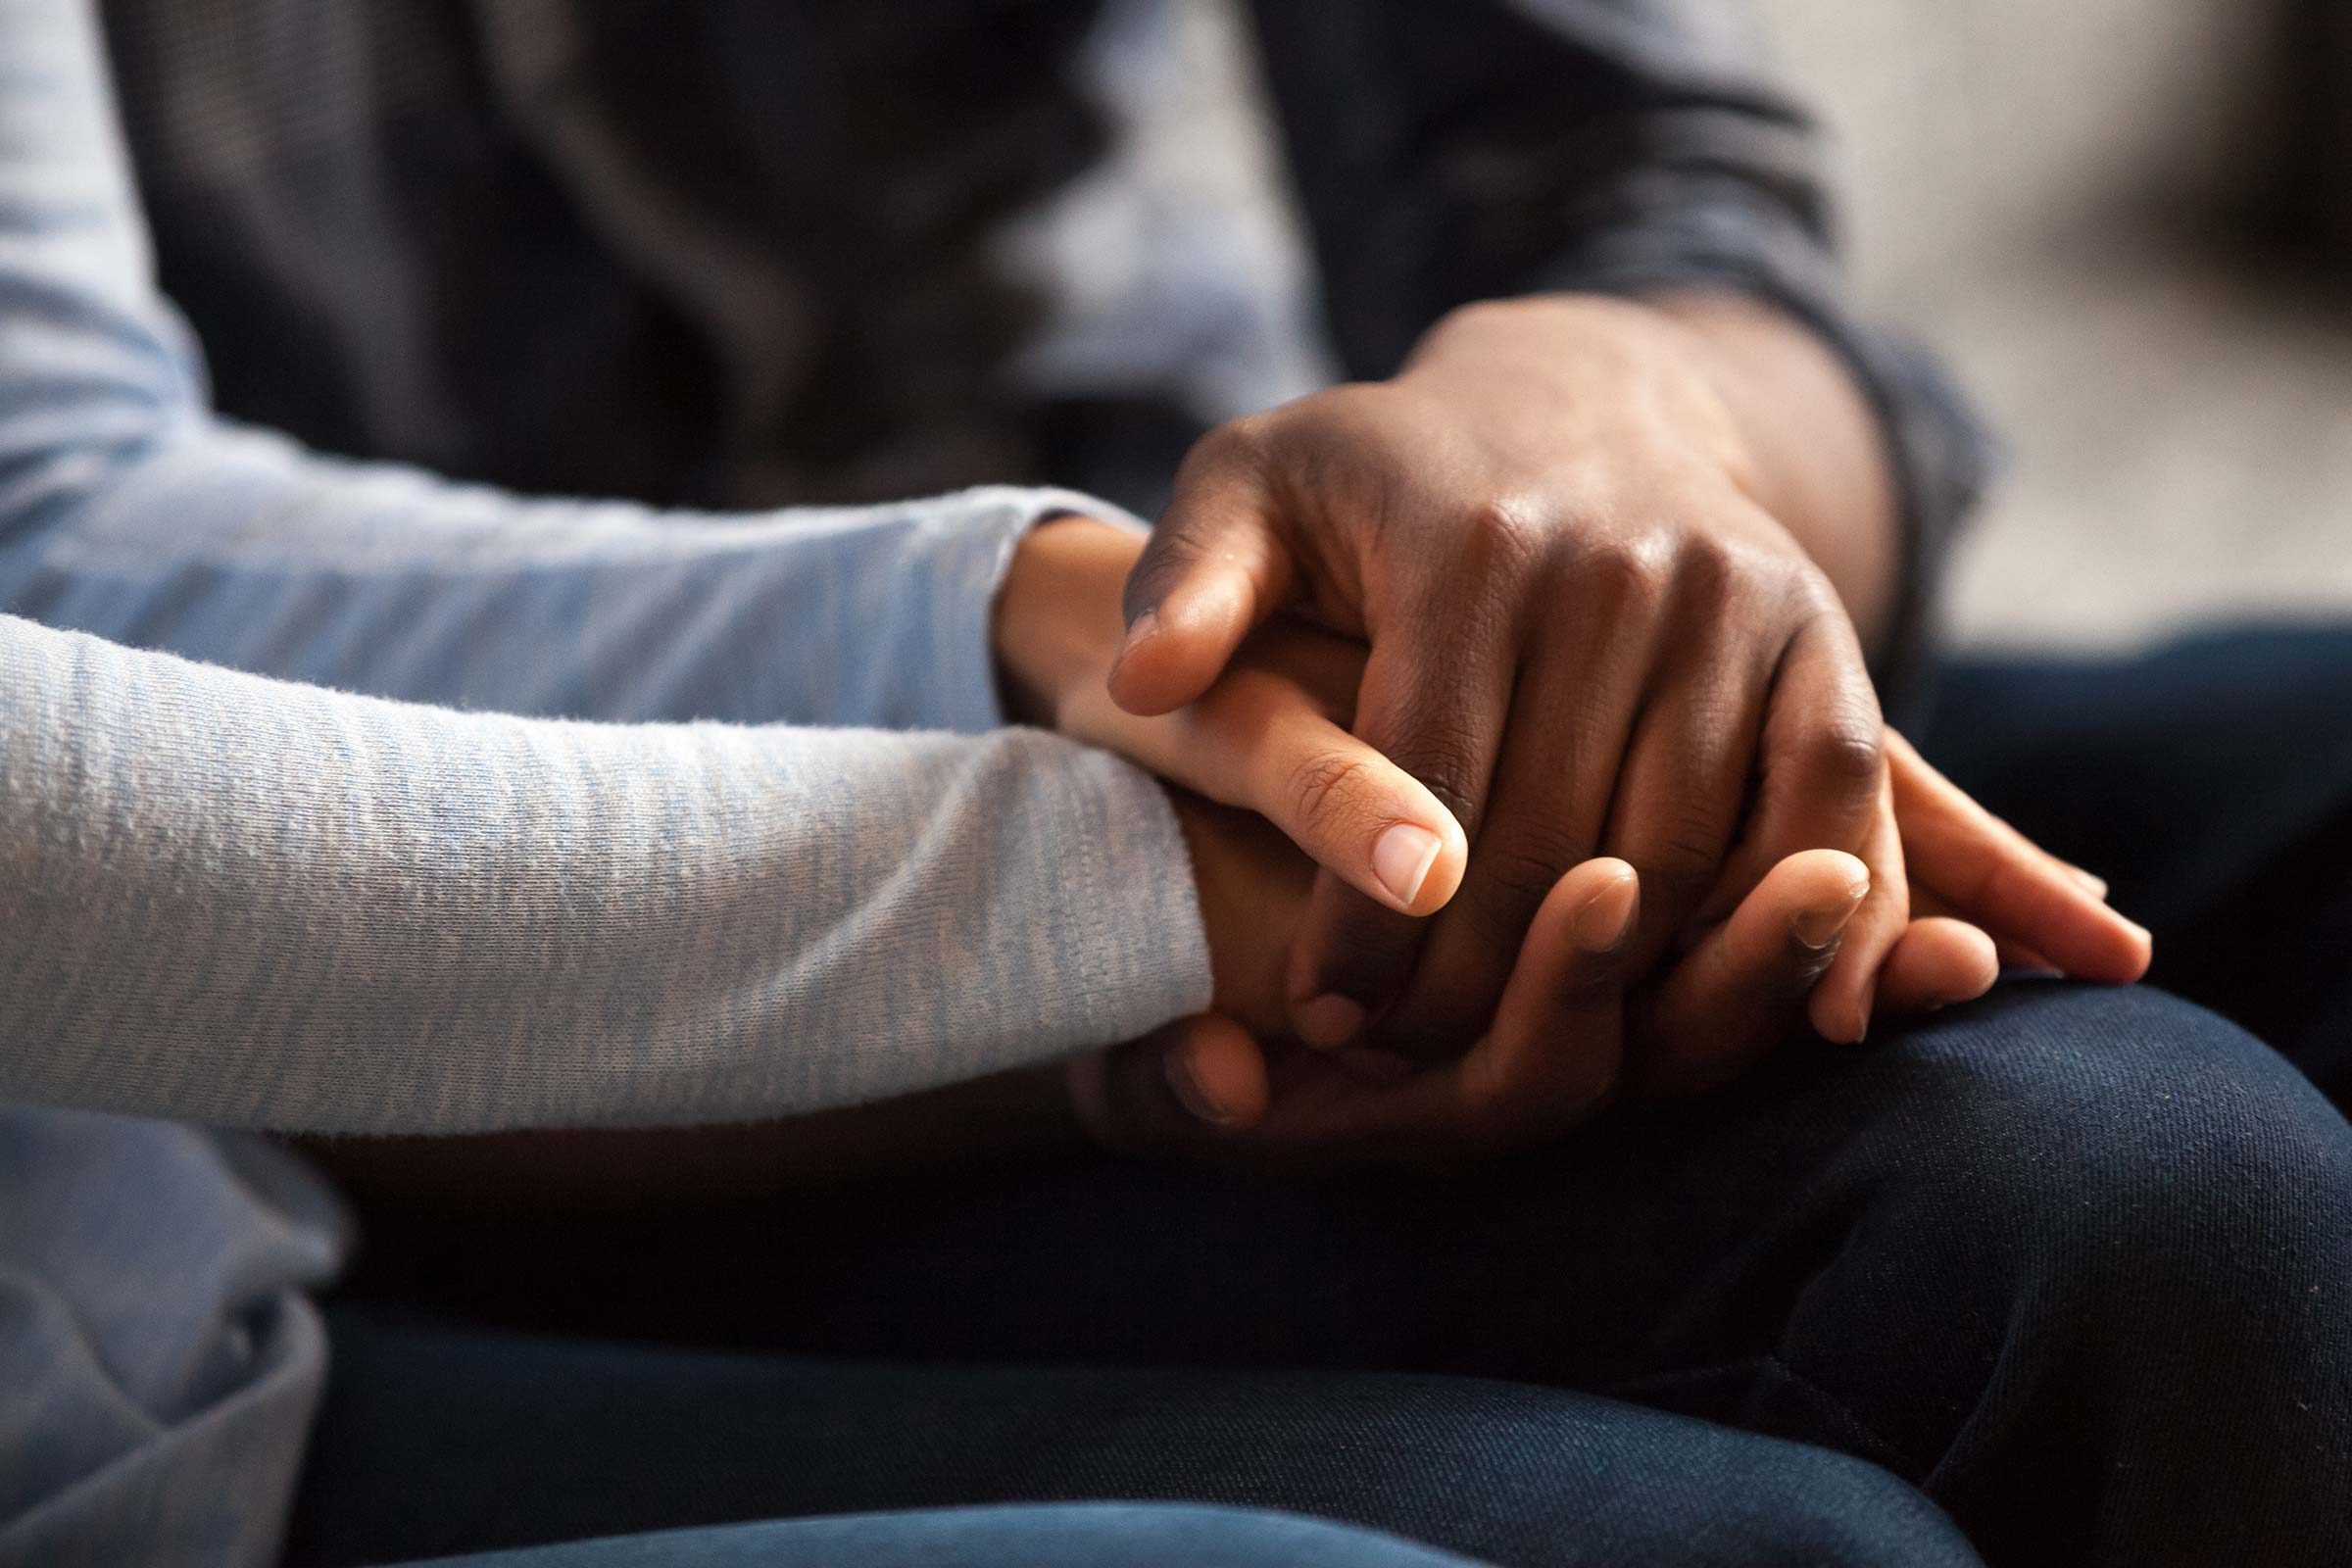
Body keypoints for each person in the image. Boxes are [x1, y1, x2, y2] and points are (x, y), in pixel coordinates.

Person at [0, 4, 2346, 1568]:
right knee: (2119, 1202)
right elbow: (67, 566)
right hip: (431, 1000)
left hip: (1251, 685)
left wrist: (1624, 435)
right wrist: (1195, 873)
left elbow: (1655, 189)